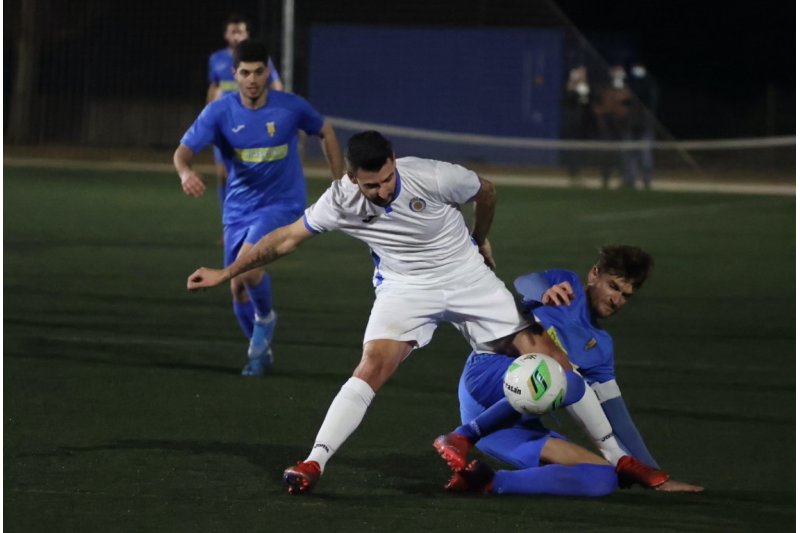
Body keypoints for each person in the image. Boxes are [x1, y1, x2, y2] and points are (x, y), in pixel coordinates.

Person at [185, 130, 574, 495]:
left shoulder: (431, 175)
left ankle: (617, 456)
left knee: (552, 360)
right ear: (352, 179)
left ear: (393, 161)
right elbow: (286, 238)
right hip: (405, 288)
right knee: (371, 365)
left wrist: (479, 237)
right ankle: (313, 462)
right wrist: (226, 272)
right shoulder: (340, 200)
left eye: (387, 178)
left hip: (466, 276)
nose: (383, 189)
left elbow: (486, 191)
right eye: (371, 185)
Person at [434, 245, 704, 496]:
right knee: (567, 380)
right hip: (486, 378)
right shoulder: (567, 286)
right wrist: (542, 292)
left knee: (604, 479)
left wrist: (657, 475)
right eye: (613, 286)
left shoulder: (602, 348)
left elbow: (617, 416)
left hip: (511, 427)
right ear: (594, 274)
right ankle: (462, 436)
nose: (616, 299)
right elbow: (525, 282)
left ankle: (486, 482)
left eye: (625, 295)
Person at [174, 39, 343, 377]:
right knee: (236, 286)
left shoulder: (290, 107)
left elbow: (324, 129)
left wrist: (341, 182)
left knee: (248, 271)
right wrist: (185, 172)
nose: (252, 79)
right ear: (234, 74)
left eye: (259, 71)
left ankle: (265, 321)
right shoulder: (219, 111)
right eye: (245, 72)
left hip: (282, 204)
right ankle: (260, 351)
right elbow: (182, 151)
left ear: (268, 72)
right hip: (238, 210)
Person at [207, 14, 284, 210]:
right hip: (224, 123)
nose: (237, 36)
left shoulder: (260, 60)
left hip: (252, 122)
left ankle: (257, 220)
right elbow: (214, 88)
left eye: (240, 31)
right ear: (226, 34)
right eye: (233, 31)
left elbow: (276, 85)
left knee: (255, 175)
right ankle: (230, 226)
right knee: (223, 175)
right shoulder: (216, 59)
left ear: (247, 34)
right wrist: (208, 116)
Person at [624, 60, 659, 189]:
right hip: (632, 125)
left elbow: (650, 103)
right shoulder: (632, 83)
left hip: (644, 125)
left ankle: (647, 181)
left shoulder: (649, 84)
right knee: (631, 155)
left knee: (645, 155)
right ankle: (631, 180)